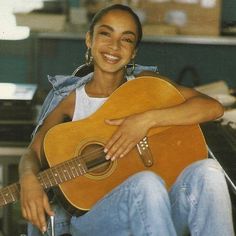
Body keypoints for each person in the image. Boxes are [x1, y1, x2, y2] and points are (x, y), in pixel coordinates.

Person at [19, 4, 234, 236]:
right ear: (89, 39)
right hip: (94, 218)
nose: (114, 46)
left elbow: (212, 107)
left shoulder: (145, 87)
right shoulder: (71, 101)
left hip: (154, 210)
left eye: (127, 39)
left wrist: (145, 120)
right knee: (146, 183)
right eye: (105, 34)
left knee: (209, 171)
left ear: (133, 52)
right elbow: (32, 153)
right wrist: (28, 179)